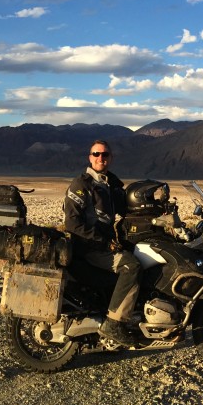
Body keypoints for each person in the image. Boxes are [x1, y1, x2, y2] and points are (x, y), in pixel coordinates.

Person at [63, 139, 142, 346]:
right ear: (90, 157)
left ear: (110, 158)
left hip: (102, 245)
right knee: (131, 265)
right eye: (96, 154)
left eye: (105, 155)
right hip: (89, 248)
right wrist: (105, 243)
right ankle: (114, 324)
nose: (101, 158)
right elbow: (72, 224)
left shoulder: (110, 185)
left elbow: (129, 209)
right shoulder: (82, 184)